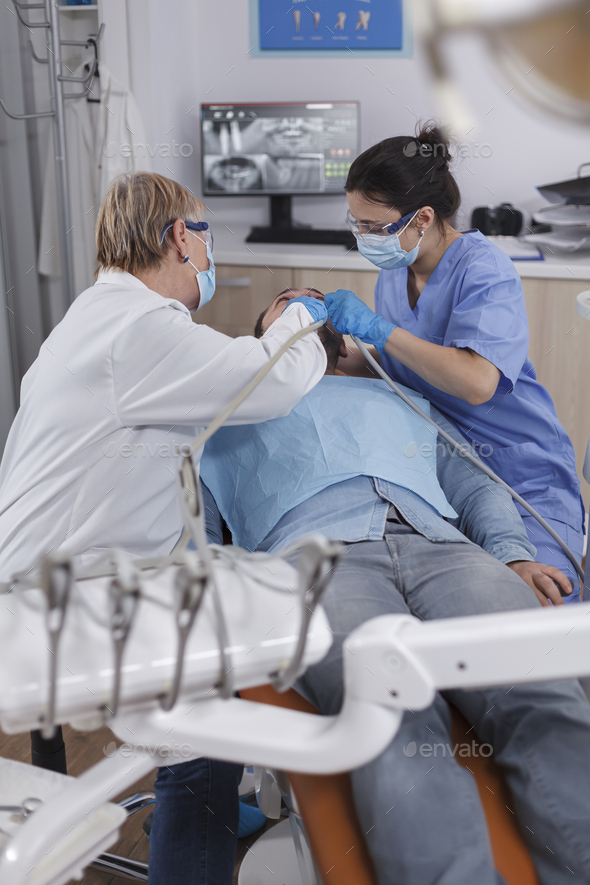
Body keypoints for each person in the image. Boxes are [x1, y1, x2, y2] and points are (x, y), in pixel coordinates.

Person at [0, 172, 328, 884]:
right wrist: (299, 316)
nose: (209, 255)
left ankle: (211, 802)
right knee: (206, 734)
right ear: (182, 236)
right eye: (205, 235)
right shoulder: (140, 329)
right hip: (64, 600)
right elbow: (275, 379)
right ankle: (199, 812)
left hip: (47, 580)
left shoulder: (101, 317)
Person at [198, 289, 590, 885]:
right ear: (261, 338)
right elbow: (192, 531)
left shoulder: (400, 396)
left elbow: (477, 487)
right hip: (317, 565)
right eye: (287, 301)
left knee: (543, 690)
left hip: (445, 550)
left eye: (318, 299)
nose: (309, 306)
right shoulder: (226, 413)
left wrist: (513, 557)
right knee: (389, 716)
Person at [323, 124, 584, 601]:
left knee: (540, 610)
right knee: (466, 610)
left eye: (374, 227)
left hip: (516, 469)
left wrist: (379, 331)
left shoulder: (484, 268)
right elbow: (407, 363)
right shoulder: (397, 272)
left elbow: (476, 381)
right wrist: (341, 355)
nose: (362, 238)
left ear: (422, 218)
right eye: (355, 223)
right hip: (443, 472)